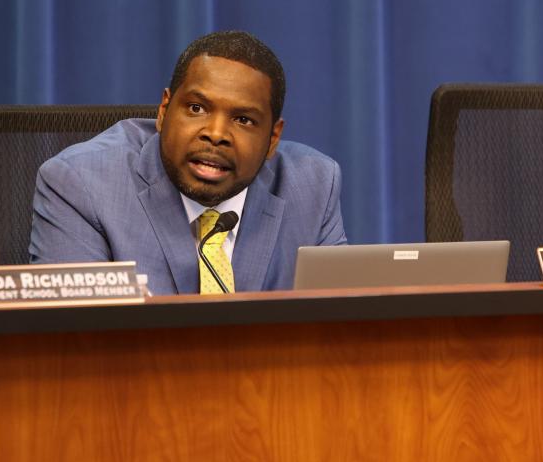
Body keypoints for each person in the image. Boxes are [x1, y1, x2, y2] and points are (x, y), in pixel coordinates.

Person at [30, 30, 347, 294]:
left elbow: (341, 332)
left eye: (243, 119)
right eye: (197, 108)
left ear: (273, 139)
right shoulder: (81, 184)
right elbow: (74, 344)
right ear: (164, 110)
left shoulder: (314, 186)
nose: (216, 134)